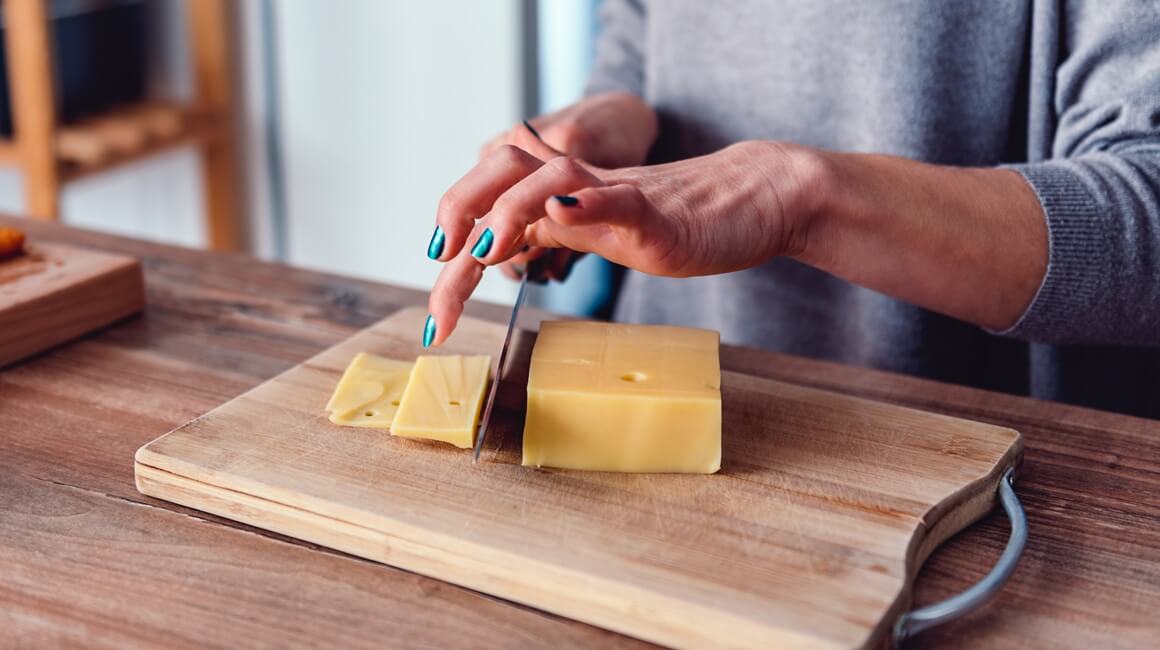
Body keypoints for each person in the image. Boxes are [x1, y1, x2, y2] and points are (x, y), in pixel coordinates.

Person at [422, 1, 1160, 419]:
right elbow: (642, 36)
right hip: (659, 407)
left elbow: (1146, 217)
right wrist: (607, 126)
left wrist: (795, 195)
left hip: (980, 478)